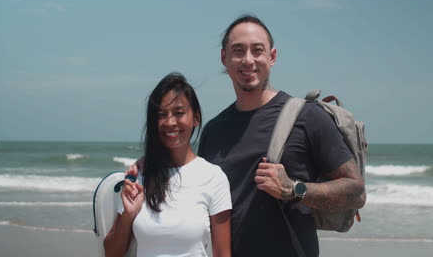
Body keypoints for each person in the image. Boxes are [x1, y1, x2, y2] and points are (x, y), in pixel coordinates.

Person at [197, 15, 366, 257]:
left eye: (257, 50)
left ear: (272, 57)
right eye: (238, 51)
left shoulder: (307, 116)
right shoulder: (213, 130)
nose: (248, 60)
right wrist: (146, 169)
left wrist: (294, 189)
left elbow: (356, 191)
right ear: (225, 58)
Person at [104, 73, 232, 257]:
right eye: (161, 115)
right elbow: (111, 253)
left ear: (196, 117)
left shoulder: (213, 177)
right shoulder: (140, 174)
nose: (170, 122)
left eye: (179, 113)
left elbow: (222, 253)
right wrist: (128, 215)